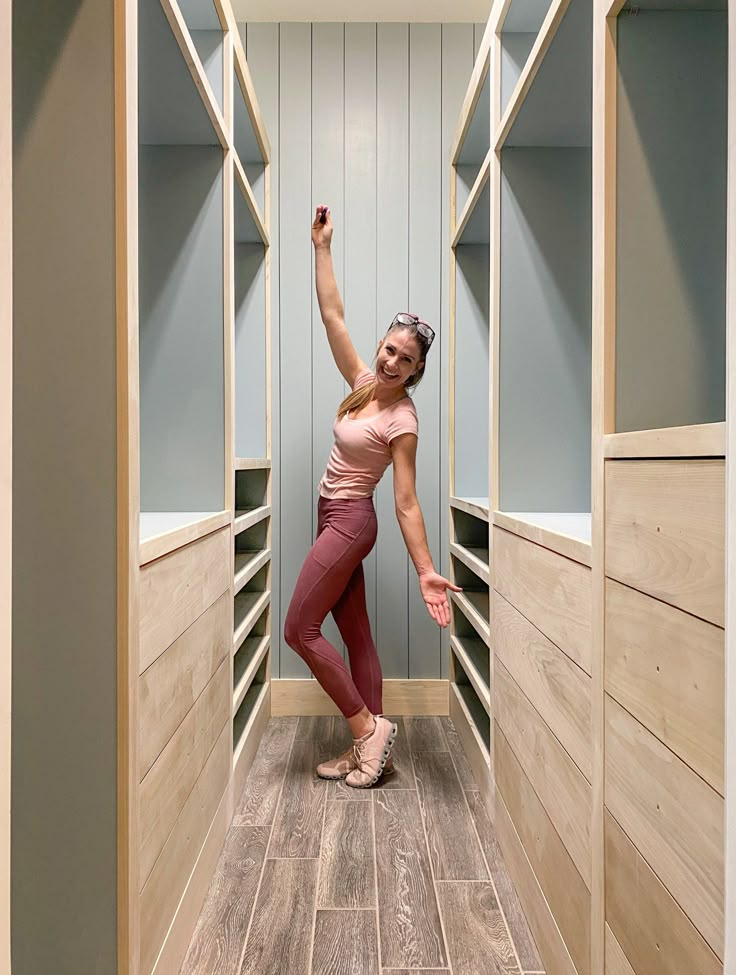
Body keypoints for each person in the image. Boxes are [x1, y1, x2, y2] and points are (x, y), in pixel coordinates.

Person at [284, 205, 461, 789]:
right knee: (354, 630)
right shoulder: (363, 385)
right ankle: (370, 754)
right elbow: (332, 313)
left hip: (352, 522)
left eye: (404, 359)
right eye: (388, 349)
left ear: (416, 372)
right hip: (331, 516)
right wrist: (322, 247)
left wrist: (427, 570)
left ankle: (367, 731)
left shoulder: (403, 420)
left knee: (299, 630)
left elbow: (406, 502)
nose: (390, 361)